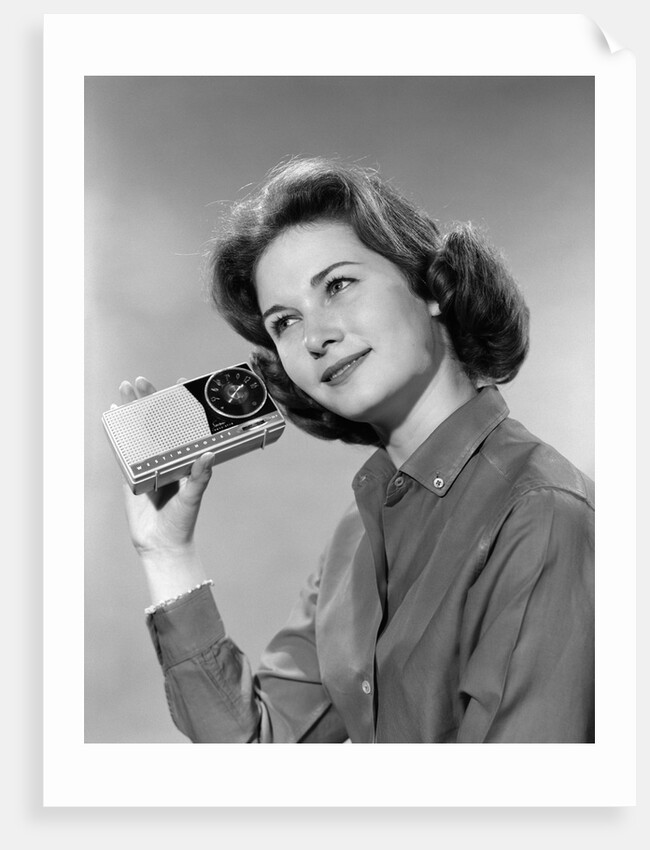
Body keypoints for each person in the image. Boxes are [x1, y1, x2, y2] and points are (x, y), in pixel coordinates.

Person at [117, 157, 594, 743]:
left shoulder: (541, 514)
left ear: (430, 286)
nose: (316, 338)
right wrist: (167, 552)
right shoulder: (358, 536)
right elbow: (258, 749)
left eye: (338, 286)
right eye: (285, 322)